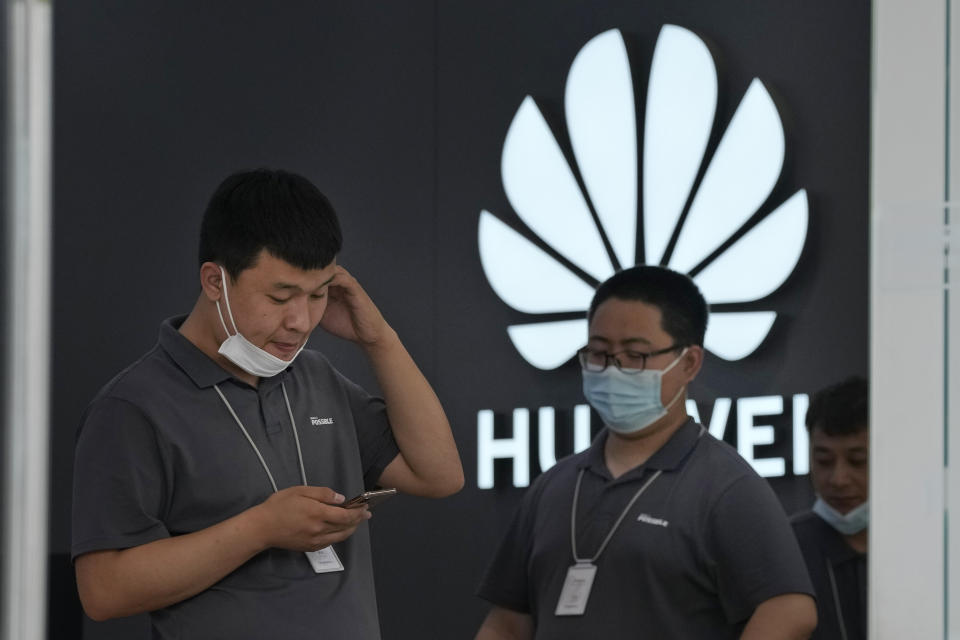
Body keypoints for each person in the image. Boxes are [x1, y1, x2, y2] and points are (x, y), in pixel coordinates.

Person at [71, 169, 464, 639]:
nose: (301, 321)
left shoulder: (315, 376)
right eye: (280, 297)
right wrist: (260, 529)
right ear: (215, 281)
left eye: (318, 295)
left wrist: (379, 339)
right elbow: (103, 590)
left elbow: (439, 474)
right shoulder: (133, 406)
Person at [475, 265, 816, 640]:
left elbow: (790, 611)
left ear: (689, 363)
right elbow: (507, 623)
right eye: (599, 353)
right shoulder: (553, 487)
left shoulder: (726, 485)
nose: (612, 370)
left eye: (635, 355)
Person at [791, 377, 868, 640]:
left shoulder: (931, 548)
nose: (838, 479)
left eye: (858, 461)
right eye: (823, 460)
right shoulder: (783, 550)